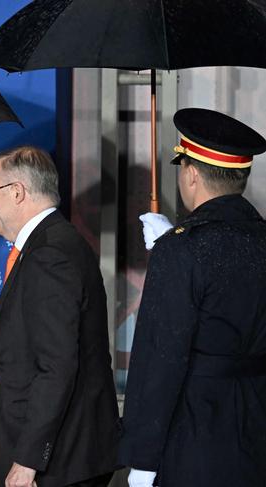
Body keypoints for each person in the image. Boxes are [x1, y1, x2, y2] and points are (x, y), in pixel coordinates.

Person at [120, 108, 266, 487]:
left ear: (191, 173)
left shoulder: (182, 249)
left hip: (195, 436)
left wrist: (142, 458)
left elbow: (160, 358)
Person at [0, 146, 119, 487]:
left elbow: (57, 364)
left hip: (59, 465)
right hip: (64, 456)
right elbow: (21, 340)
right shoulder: (49, 243)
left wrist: (27, 460)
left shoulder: (49, 253)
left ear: (17, 192)